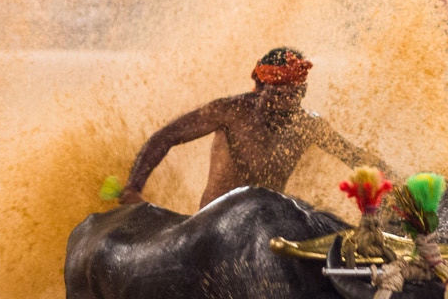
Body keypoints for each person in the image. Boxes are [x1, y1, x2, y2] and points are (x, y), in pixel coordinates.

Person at [118, 48, 392, 209]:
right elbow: (167, 136)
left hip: (267, 224)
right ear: (259, 88)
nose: (284, 104)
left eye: (293, 96)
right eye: (276, 94)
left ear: (303, 92)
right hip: (214, 221)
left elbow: (354, 158)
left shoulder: (309, 125)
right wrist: (134, 187)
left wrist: (397, 183)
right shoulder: (231, 111)